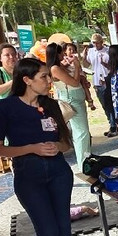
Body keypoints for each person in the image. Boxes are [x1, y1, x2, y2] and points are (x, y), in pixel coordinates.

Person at [0, 57, 94, 236]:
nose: (49, 80)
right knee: (48, 231)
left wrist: (58, 147)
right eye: (44, 77)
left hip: (58, 172)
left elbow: (66, 142)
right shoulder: (5, 108)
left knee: (64, 228)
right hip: (29, 176)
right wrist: (32, 148)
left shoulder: (51, 106)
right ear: (26, 80)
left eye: (49, 76)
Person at [47, 42, 95, 173]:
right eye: (61, 52)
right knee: (81, 132)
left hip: (76, 99)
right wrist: (78, 67)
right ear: (56, 54)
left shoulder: (61, 66)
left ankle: (87, 159)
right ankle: (84, 164)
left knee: (82, 131)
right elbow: (73, 82)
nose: (64, 54)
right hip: (71, 100)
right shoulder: (54, 68)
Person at [83, 33, 116, 137]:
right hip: (97, 81)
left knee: (110, 103)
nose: (95, 44)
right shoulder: (91, 51)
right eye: (94, 43)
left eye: (97, 42)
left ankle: (114, 125)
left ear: (102, 42)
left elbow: (113, 65)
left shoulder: (108, 51)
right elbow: (86, 65)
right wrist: (84, 56)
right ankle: (111, 123)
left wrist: (104, 64)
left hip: (108, 80)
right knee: (104, 104)